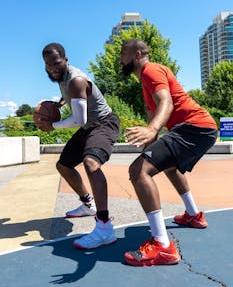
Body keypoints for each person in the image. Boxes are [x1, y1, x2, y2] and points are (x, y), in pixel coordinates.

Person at [120, 39, 217, 267]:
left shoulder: (150, 71)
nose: (120, 58)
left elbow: (167, 103)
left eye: (124, 52)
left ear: (138, 54)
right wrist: (148, 145)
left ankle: (163, 247)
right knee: (167, 167)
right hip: (201, 128)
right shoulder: (146, 83)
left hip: (195, 127)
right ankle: (194, 215)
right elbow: (156, 119)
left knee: (138, 171)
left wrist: (151, 130)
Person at [39, 43, 120, 249]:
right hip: (89, 126)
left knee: (91, 163)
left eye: (56, 63)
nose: (52, 69)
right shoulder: (61, 78)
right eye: (48, 65)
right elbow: (74, 98)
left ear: (66, 60)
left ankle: (104, 227)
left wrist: (52, 125)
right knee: (63, 166)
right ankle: (88, 204)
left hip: (103, 123)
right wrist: (59, 103)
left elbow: (79, 119)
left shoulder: (76, 80)